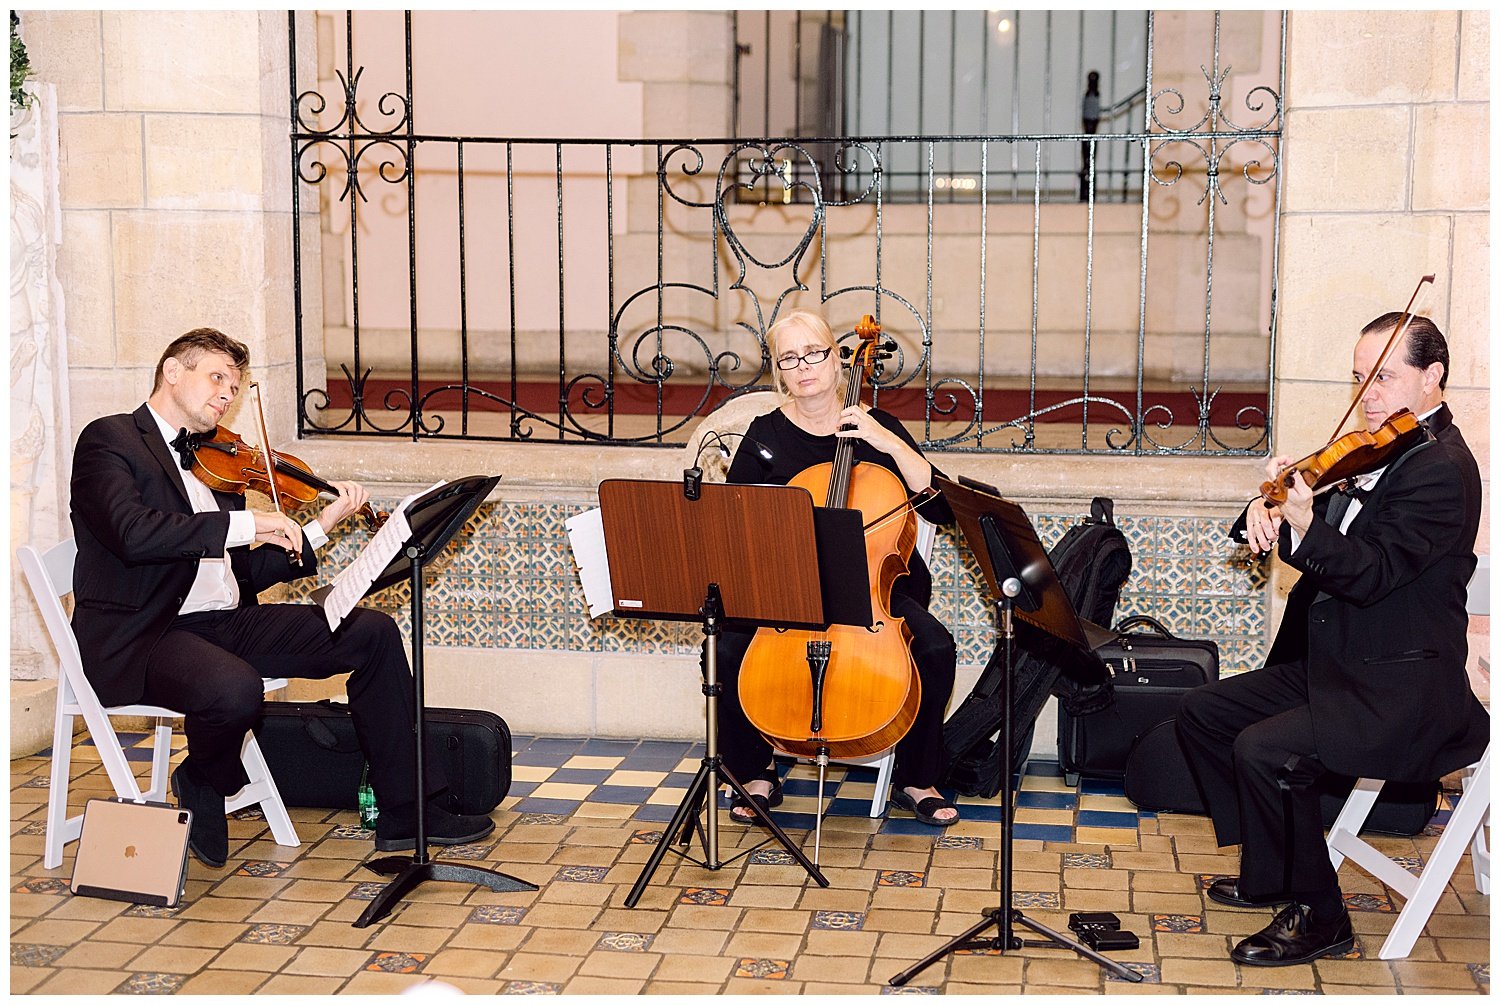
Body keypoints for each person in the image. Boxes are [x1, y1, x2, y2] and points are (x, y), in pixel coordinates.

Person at [68, 328, 494, 867]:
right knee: (235, 690)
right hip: (146, 634)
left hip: (221, 624)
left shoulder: (213, 462)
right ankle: (201, 776)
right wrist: (244, 522)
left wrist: (319, 526)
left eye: (234, 386)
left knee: (372, 633)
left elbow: (242, 571)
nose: (226, 395)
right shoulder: (110, 440)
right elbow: (133, 533)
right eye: (216, 378)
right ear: (172, 371)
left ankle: (406, 811)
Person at [1176, 313, 1487, 966]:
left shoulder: (1439, 469)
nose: (1367, 394)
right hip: (1345, 663)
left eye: (1384, 377)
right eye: (1359, 378)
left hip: (1403, 687)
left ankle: (1323, 916)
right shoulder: (1381, 450)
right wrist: (1270, 512)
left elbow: (1370, 574)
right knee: (1202, 713)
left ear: (1432, 378)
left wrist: (1305, 520)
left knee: (1267, 751)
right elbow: (1324, 532)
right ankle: (1273, 871)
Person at [712, 309, 961, 827]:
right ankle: (754, 772)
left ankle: (917, 779)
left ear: (837, 358)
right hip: (790, 589)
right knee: (724, 642)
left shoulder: (879, 427)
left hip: (874, 593)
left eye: (815, 353)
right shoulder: (767, 436)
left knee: (935, 647)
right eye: (789, 358)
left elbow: (939, 508)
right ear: (779, 371)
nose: (804, 367)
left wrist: (886, 441)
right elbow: (734, 522)